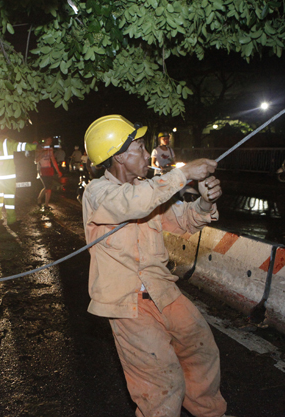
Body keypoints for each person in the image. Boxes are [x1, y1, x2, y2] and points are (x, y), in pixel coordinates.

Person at [82, 115, 230, 417]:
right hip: (126, 302)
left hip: (162, 289)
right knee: (163, 381)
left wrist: (203, 204)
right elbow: (133, 202)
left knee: (202, 349)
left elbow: (184, 220)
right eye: (138, 146)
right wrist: (184, 173)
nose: (145, 150)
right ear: (120, 155)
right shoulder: (97, 193)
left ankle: (209, 412)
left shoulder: (149, 188)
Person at [0, 130, 37, 227]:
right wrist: (34, 146)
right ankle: (11, 220)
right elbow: (21, 146)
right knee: (9, 198)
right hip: (9, 176)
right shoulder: (7, 142)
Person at [35, 137, 62, 210]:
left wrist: (58, 171)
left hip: (49, 169)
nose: (50, 142)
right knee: (47, 187)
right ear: (45, 141)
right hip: (42, 169)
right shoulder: (39, 149)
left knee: (48, 187)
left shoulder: (51, 149)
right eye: (48, 140)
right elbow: (36, 160)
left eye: (50, 140)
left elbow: (53, 160)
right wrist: (43, 152)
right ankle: (44, 204)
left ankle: (42, 201)